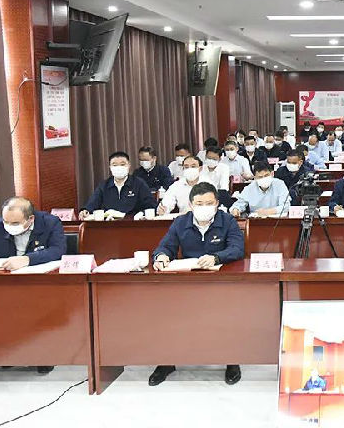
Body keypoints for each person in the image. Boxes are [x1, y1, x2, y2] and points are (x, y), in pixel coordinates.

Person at [150, 182, 245, 386]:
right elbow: (165, 246)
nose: (204, 207)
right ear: (191, 205)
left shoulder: (227, 220)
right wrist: (161, 256)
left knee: (227, 315)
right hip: (189, 282)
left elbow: (237, 248)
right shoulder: (180, 222)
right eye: (199, 204)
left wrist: (217, 257)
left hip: (220, 282)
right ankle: (167, 361)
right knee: (165, 310)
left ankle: (231, 361)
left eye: (209, 203)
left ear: (217, 203)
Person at [0, 196, 66, 271]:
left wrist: (28, 259)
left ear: (31, 219)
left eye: (15, 223)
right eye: (6, 221)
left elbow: (58, 250)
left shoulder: (49, 223)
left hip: (40, 279)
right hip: (6, 280)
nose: (9, 226)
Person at [80, 151, 157, 219]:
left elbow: (151, 206)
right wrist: (85, 211)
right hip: (109, 225)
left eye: (122, 164)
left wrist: (140, 214)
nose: (119, 167)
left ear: (129, 165)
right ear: (110, 167)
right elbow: (92, 204)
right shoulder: (104, 185)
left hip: (133, 224)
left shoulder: (139, 183)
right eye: (114, 165)